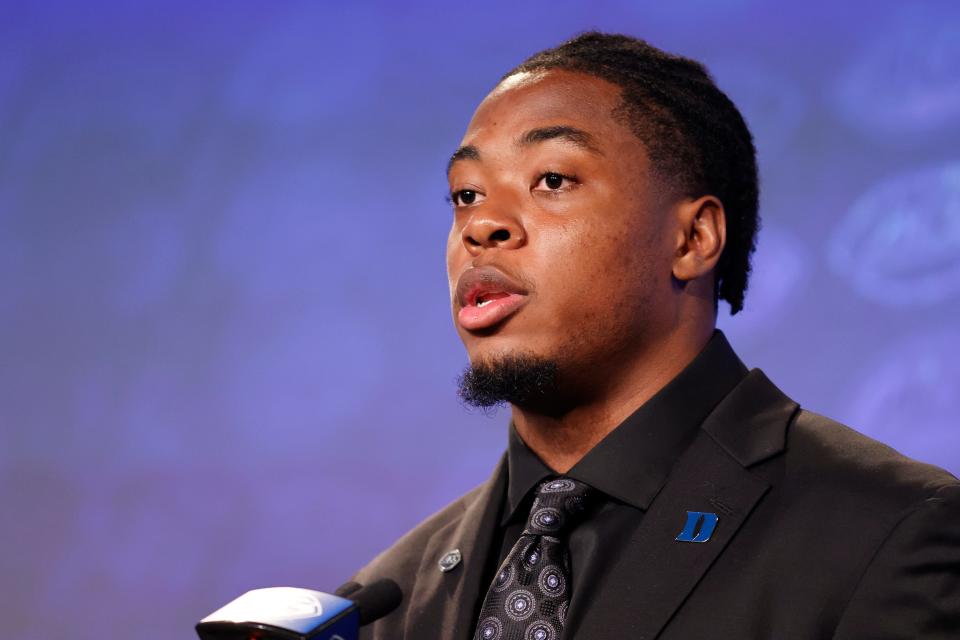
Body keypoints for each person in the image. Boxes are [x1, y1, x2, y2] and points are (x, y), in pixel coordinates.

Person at [351, 32, 960, 639]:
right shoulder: (386, 601)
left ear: (693, 240)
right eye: (466, 194)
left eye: (553, 180)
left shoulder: (887, 531)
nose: (482, 225)